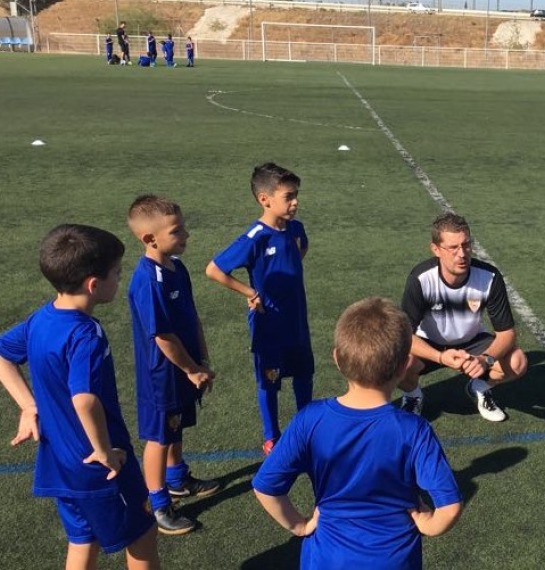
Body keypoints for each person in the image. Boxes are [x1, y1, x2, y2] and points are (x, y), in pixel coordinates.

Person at [0, 224, 160, 569]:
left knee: (82, 541)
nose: (119, 279)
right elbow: (84, 399)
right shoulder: (86, 334)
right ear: (93, 284)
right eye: (117, 273)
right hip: (100, 468)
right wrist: (104, 451)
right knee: (142, 538)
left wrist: (28, 405)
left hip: (60, 465)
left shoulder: (42, 319)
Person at [253, 297, 462, 570]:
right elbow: (450, 507)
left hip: (327, 560)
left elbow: (265, 486)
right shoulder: (414, 429)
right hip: (395, 560)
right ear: (404, 366)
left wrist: (299, 524)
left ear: (337, 359)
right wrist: (428, 524)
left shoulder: (311, 419)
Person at [127, 195, 221, 536]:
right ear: (150, 239)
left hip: (185, 368)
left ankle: (178, 479)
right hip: (162, 376)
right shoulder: (148, 281)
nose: (186, 235)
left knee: (175, 426)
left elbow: (192, 317)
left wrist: (202, 361)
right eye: (177, 230)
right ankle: (158, 502)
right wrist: (191, 369)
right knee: (159, 437)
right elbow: (163, 336)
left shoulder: (177, 268)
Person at [206, 163, 313, 455]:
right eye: (288, 197)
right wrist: (250, 291)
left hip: (296, 319)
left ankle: (305, 429)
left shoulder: (295, 228)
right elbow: (214, 269)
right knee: (270, 380)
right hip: (268, 323)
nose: (295, 202)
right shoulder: (256, 236)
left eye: (296, 195)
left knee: (304, 374)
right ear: (264, 199)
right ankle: (272, 436)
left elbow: (301, 248)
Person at [398, 212, 528, 422]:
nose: (462, 254)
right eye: (453, 247)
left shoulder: (489, 277)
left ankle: (479, 386)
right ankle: (413, 395)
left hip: (472, 343)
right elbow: (403, 335)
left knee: (517, 362)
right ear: (436, 249)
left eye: (466, 245)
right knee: (395, 362)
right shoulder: (421, 278)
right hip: (430, 344)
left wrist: (485, 359)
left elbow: (507, 333)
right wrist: (440, 357)